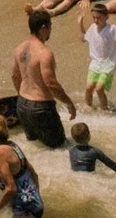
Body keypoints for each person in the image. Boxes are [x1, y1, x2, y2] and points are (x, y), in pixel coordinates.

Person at [9, 9, 77, 148]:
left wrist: (23, 98)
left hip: (22, 105)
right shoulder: (44, 53)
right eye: (50, 26)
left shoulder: (19, 48)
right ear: (43, 28)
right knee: (59, 148)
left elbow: (15, 76)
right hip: (41, 108)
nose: (51, 30)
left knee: (35, 147)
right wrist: (68, 102)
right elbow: (50, 83)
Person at [81, 2, 116, 109]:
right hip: (95, 62)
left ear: (107, 17)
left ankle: (104, 110)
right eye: (94, 18)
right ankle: (88, 108)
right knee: (88, 87)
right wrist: (80, 24)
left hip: (109, 63)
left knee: (99, 88)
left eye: (99, 18)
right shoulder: (92, 27)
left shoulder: (112, 29)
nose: (96, 20)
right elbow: (83, 38)